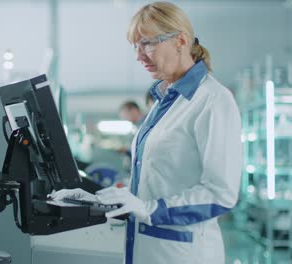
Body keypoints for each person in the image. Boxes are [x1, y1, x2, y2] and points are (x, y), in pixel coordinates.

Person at [50, 2, 242, 264]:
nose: (138, 56)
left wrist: (149, 209)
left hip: (183, 254)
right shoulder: (164, 101)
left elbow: (221, 193)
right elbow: (153, 181)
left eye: (147, 43)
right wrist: (95, 200)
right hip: (146, 249)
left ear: (180, 41)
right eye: (135, 46)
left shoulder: (212, 100)